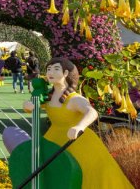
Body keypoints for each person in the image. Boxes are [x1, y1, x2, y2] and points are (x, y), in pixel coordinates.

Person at [23, 57, 132, 188]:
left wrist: (79, 126)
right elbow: (35, 106)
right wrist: (28, 105)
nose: (50, 72)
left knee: (87, 172)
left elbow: (91, 112)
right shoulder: (49, 97)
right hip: (54, 139)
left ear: (65, 74)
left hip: (76, 139)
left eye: (56, 69)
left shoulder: (74, 99)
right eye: (48, 69)